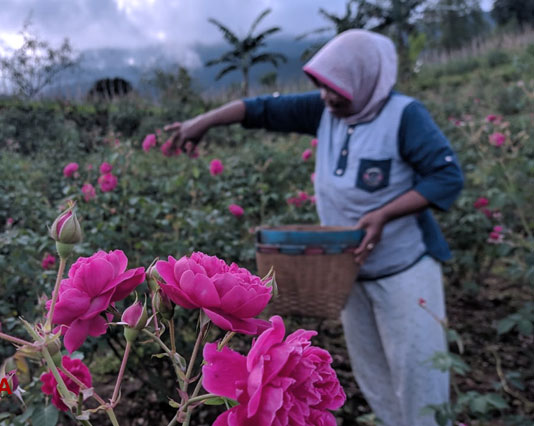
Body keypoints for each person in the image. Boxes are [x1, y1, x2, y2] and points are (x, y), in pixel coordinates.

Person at [164, 29, 463, 426]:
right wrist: (202, 122)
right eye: (322, 87)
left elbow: (446, 178)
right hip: (349, 272)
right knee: (372, 372)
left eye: (338, 88)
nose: (328, 96)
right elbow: (261, 110)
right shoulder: (327, 111)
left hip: (404, 269)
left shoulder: (404, 117)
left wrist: (383, 214)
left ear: (366, 79)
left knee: (418, 373)